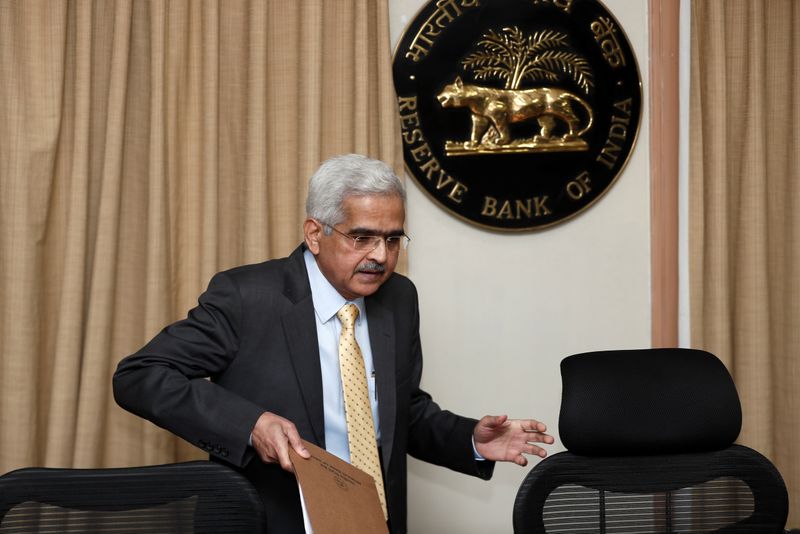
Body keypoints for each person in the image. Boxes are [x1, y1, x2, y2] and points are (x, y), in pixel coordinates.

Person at [113, 154, 554, 533]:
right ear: (314, 233)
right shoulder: (247, 298)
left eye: (392, 239)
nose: (380, 256)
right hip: (271, 522)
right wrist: (250, 423)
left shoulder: (399, 299)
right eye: (362, 238)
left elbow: (402, 412)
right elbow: (140, 376)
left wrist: (471, 440)